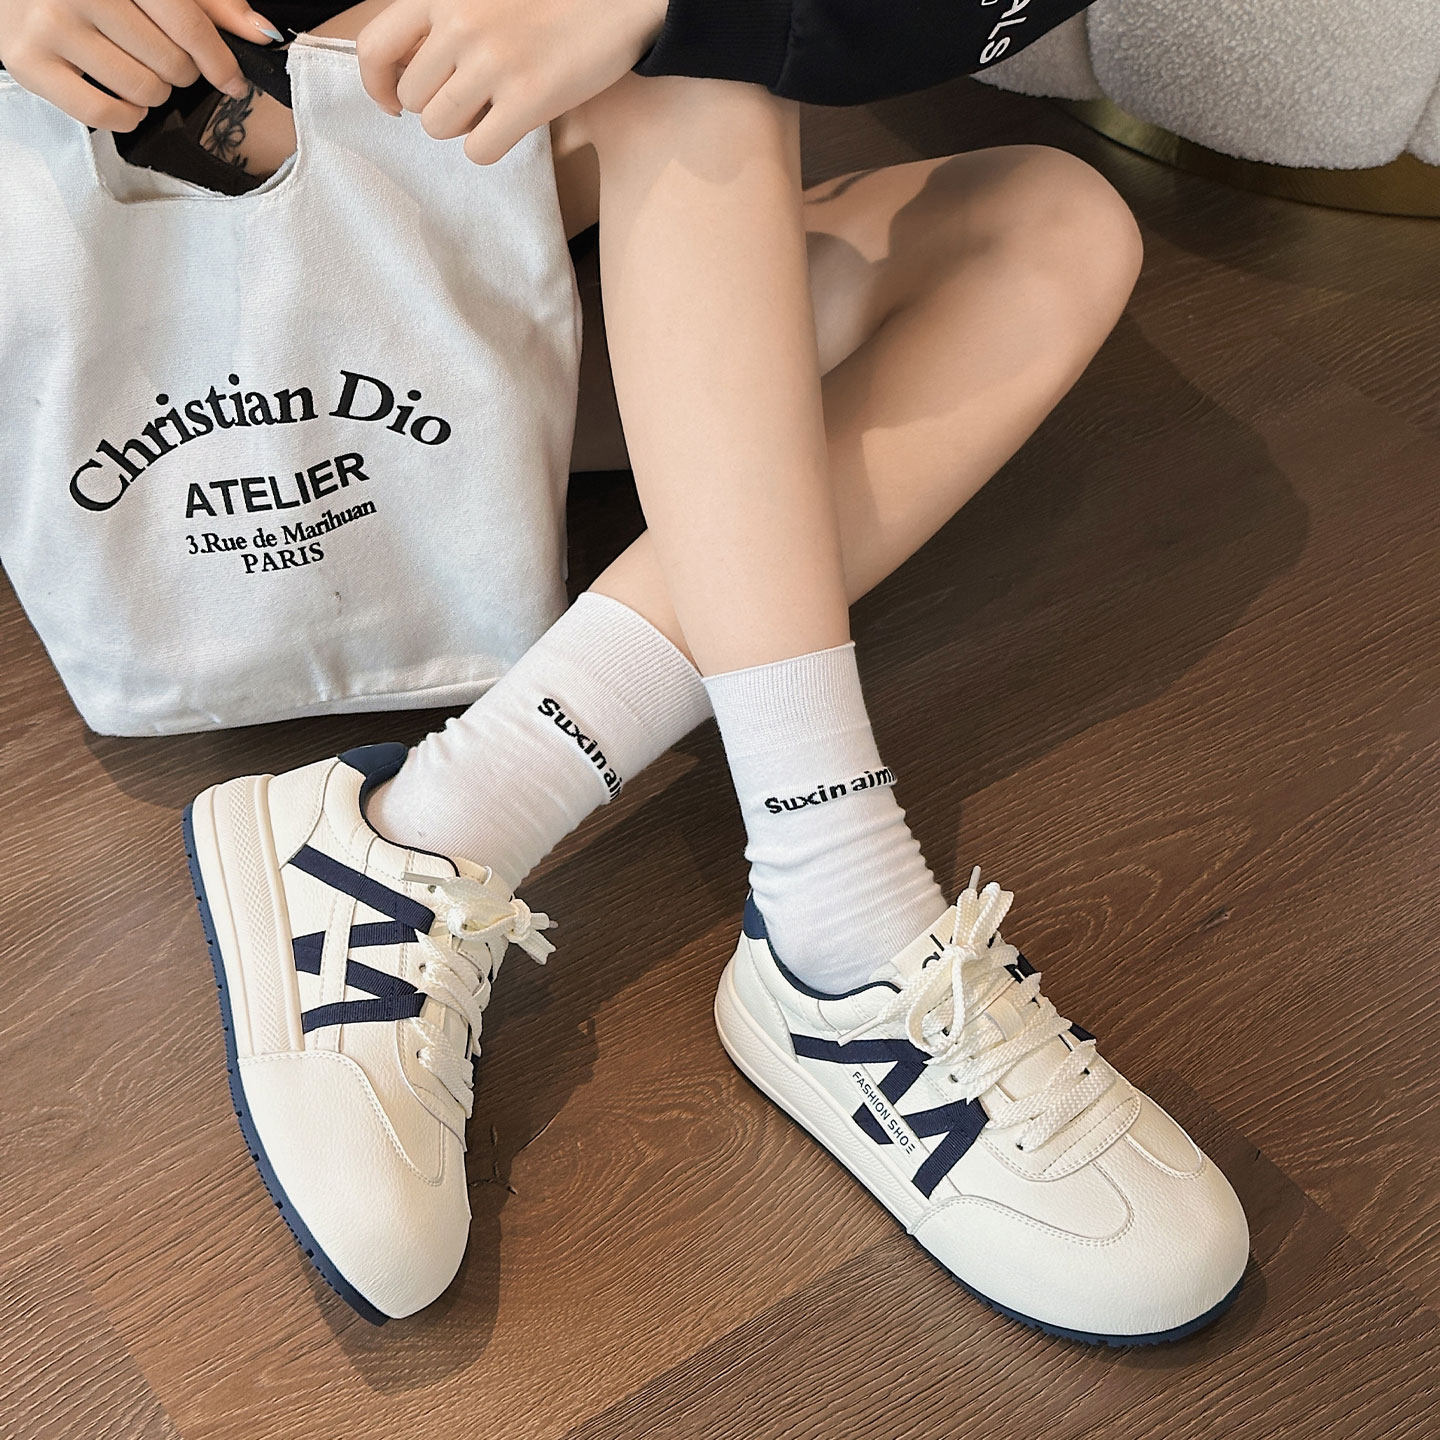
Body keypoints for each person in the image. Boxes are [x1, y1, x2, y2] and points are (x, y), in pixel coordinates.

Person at [0, 0, 1249, 1340]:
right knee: (698, 72)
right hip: (137, 245)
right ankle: (832, 926)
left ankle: (453, 826)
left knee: (1048, 227)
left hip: (468, 262)